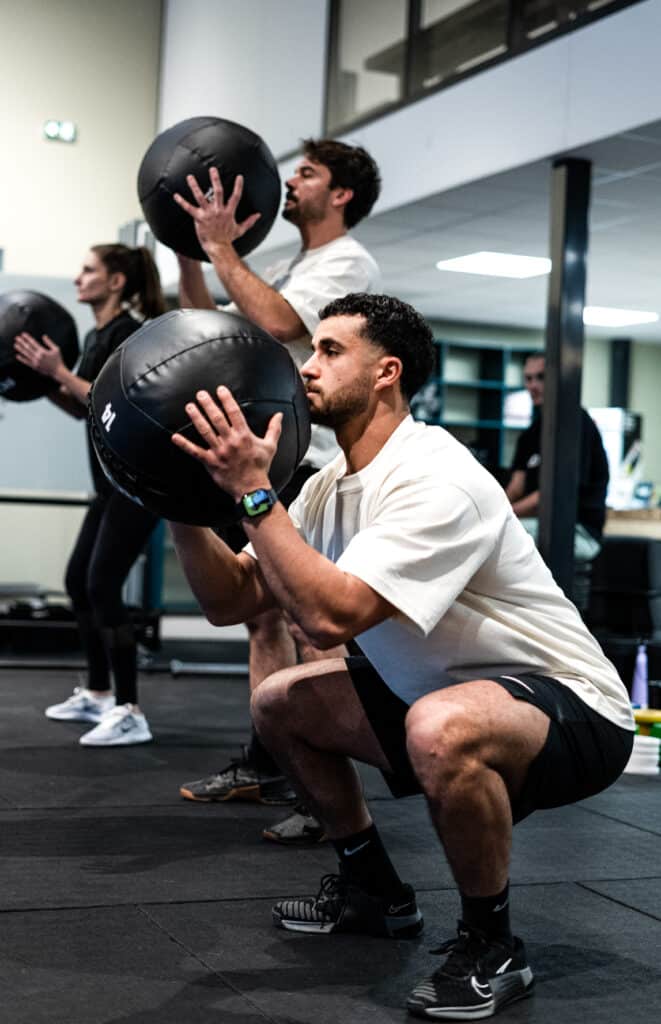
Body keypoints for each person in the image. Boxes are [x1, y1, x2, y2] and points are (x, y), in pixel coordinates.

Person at [169, 292, 633, 1020]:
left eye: (329, 351)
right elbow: (231, 600)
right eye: (310, 348)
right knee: (278, 705)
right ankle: (371, 892)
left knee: (438, 729)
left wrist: (255, 493)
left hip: (572, 707)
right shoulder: (328, 486)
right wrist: (182, 503)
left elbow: (330, 615)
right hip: (435, 692)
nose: (307, 367)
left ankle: (492, 946)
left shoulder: (434, 475)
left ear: (386, 372)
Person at [171, 138, 381, 840]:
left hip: (309, 467)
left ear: (341, 194)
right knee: (263, 618)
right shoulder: (295, 265)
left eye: (308, 173)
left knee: (309, 622)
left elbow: (282, 324)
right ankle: (271, 761)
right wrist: (190, 250)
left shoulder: (348, 263)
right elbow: (212, 329)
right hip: (269, 461)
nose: (291, 182)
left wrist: (224, 247)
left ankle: (329, 798)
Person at [14, 244, 166, 746]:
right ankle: (99, 694)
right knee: (78, 581)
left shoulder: (129, 334)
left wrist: (59, 371)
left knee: (102, 587)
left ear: (117, 281)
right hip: (107, 486)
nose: (78, 278)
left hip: (136, 486)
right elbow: (84, 408)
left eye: (88, 271)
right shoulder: (96, 335)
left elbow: (110, 399)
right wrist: (38, 378)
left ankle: (130, 709)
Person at [506, 352, 609, 562]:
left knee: (501, 536)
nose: (533, 385)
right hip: (538, 524)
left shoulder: (577, 425)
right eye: (528, 378)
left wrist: (502, 515)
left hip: (578, 532)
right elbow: (516, 487)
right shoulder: (531, 434)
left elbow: (551, 496)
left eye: (541, 377)